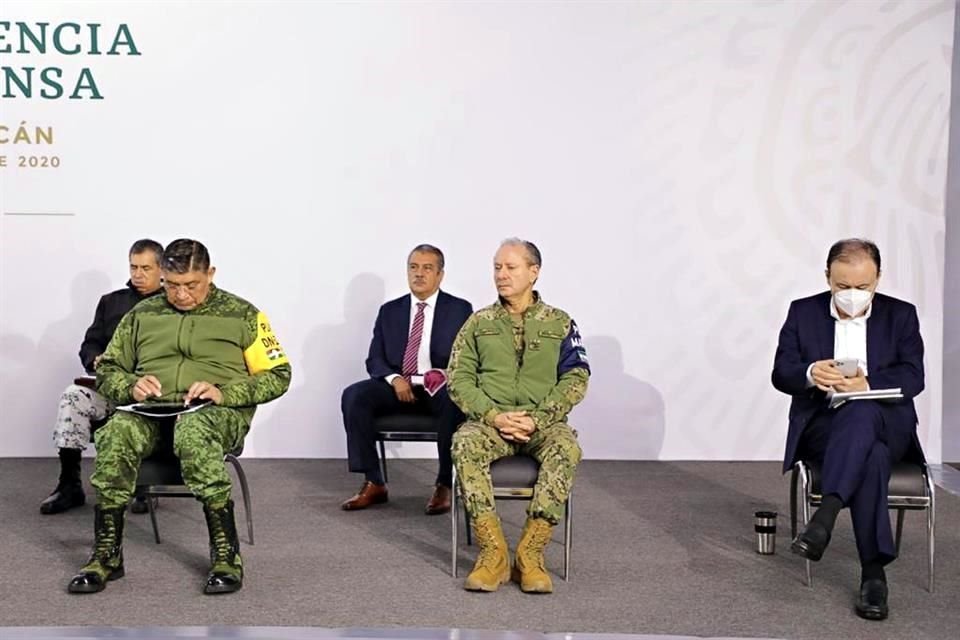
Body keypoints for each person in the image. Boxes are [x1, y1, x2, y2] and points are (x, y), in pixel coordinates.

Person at [67, 239, 291, 595]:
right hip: (151, 412)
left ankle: (225, 556)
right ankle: (106, 555)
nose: (181, 294)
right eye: (172, 285)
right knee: (115, 432)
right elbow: (107, 368)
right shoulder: (142, 315)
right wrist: (131, 385)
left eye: (191, 285)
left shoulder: (243, 315)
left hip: (214, 414)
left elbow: (279, 375)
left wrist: (225, 392)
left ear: (210, 274)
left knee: (194, 430)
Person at [772, 238, 925, 621]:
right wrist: (810, 374)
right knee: (866, 452)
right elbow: (781, 373)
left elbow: (914, 376)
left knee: (863, 413)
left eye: (862, 287)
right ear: (827, 277)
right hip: (825, 426)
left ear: (877, 279)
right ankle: (873, 574)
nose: (852, 295)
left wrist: (867, 383)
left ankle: (826, 515)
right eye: (842, 286)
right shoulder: (802, 312)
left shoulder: (901, 315)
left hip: (890, 425)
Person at [448, 238, 589, 594]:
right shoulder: (479, 323)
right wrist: (493, 416)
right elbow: (458, 378)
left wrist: (539, 419)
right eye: (497, 267)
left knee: (567, 448)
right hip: (491, 423)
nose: (501, 274)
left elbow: (576, 378)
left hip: (542, 424)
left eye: (510, 267)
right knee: (463, 443)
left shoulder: (559, 322)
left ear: (534, 272)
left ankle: (530, 554)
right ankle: (493, 555)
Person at [341, 244, 473, 514]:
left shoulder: (459, 310)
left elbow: (469, 359)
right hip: (399, 387)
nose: (419, 274)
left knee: (454, 400)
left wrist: (444, 376)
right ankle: (374, 481)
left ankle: (444, 484)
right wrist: (394, 379)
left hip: (439, 389)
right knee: (354, 395)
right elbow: (374, 359)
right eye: (413, 267)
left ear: (440, 275)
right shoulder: (390, 311)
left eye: (427, 268)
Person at [40, 239, 164, 515]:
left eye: (146, 268)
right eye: (133, 267)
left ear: (162, 269)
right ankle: (69, 484)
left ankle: (143, 485)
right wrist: (94, 358)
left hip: (152, 393)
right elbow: (90, 343)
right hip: (110, 386)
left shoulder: (171, 304)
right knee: (73, 397)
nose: (138, 274)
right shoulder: (111, 302)